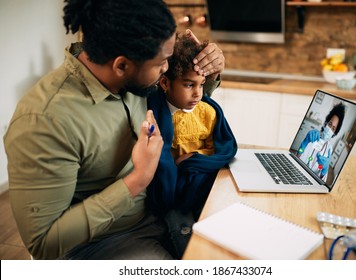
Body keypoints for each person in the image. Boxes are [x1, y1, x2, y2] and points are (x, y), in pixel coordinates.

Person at [3, 0, 225, 260]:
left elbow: (178, 96)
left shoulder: (137, 75)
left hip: (162, 214)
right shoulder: (45, 121)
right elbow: (44, 244)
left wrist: (211, 70)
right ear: (121, 66)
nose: (166, 68)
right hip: (104, 242)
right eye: (162, 63)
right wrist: (137, 180)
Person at [146, 34, 237, 258]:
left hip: (200, 182)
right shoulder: (152, 112)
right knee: (186, 238)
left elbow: (218, 146)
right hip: (171, 198)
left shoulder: (207, 112)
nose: (198, 94)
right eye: (189, 85)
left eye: (202, 84)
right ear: (165, 83)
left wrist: (196, 157)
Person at [297, 103, 346, 181]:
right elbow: (298, 158)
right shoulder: (312, 136)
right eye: (330, 124)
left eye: (333, 128)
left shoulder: (329, 150)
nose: (330, 129)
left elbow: (321, 180)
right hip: (298, 173)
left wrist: (324, 171)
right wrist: (304, 143)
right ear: (326, 123)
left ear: (334, 133)